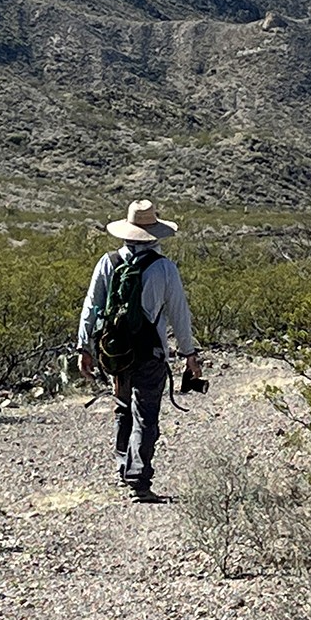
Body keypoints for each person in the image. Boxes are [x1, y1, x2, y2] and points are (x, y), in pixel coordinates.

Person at [77, 199, 202, 500]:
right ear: (155, 234)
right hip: (151, 353)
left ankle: (124, 467)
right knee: (146, 413)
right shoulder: (165, 268)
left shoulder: (108, 262)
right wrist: (189, 354)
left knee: (123, 408)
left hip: (116, 352)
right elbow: (179, 314)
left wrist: (84, 348)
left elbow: (91, 307)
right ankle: (139, 479)